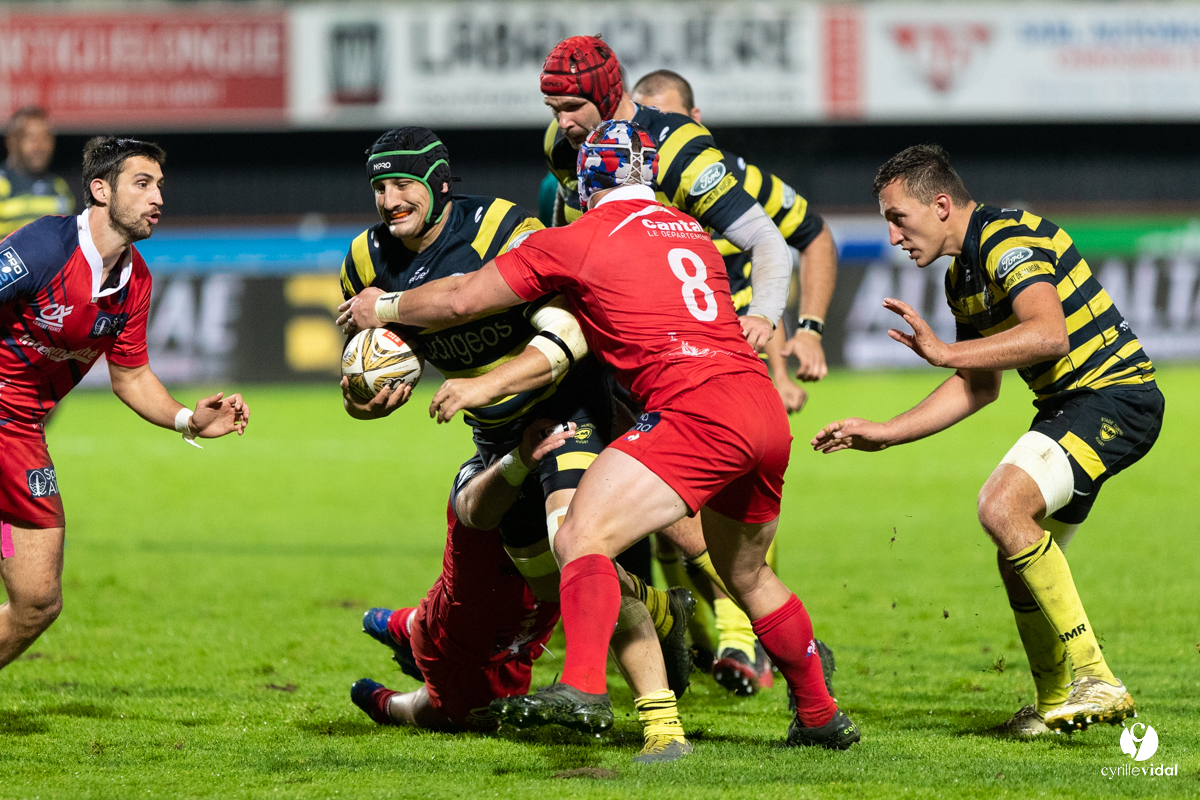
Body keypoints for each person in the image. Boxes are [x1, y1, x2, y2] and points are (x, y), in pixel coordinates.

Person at [339, 120, 860, 754]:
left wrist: (385, 310)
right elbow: (762, 250)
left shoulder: (575, 238)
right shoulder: (691, 230)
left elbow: (458, 302)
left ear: (586, 183)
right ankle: (819, 714)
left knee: (582, 534)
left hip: (690, 411)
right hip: (759, 407)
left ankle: (583, 686)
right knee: (747, 577)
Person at [337, 128, 694, 761]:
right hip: (497, 435)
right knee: (560, 582)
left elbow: (570, 331)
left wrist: (485, 385)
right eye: (380, 187)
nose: (391, 199)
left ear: (439, 182)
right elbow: (366, 380)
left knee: (574, 545)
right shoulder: (363, 264)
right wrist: (364, 399)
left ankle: (662, 729)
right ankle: (662, 611)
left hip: (568, 405)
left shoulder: (501, 228)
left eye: (404, 183)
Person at [812, 144, 1162, 736]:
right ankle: (1055, 702)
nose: (894, 235)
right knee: (1014, 552)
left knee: (1001, 506)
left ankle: (1095, 676)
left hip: (1114, 398)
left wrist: (945, 351)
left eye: (898, 217)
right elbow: (978, 387)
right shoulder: (960, 278)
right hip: (1069, 407)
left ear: (941, 204)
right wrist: (887, 433)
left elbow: (1049, 335)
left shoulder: (1006, 238)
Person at [0, 136, 249, 672]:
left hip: (21, 436)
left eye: (160, 185)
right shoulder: (45, 245)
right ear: (99, 189)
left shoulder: (135, 281)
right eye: (142, 183)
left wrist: (189, 419)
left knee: (38, 602)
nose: (158, 196)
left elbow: (131, 377)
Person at [630, 69, 841, 694]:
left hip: (726, 366)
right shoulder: (598, 180)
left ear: (697, 124)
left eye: (669, 122)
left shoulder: (731, 179)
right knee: (664, 518)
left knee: (714, 504)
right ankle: (714, 635)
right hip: (646, 369)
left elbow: (811, 236)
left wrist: (808, 329)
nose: (654, 136)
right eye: (644, 123)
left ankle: (743, 641)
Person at [539, 36, 790, 356]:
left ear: (609, 95)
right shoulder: (560, 144)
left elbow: (764, 237)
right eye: (554, 109)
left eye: (573, 107)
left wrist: (761, 315)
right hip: (603, 336)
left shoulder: (678, 148)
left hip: (680, 342)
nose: (563, 123)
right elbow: (566, 211)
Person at [1, 108, 75, 237]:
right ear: (12, 141)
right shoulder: (2, 185)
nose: (39, 146)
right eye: (30, 138)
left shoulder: (60, 188)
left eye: (45, 137)